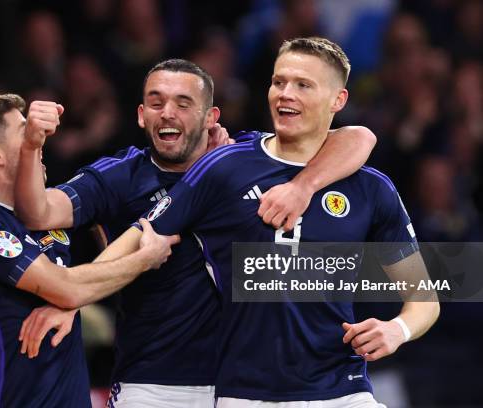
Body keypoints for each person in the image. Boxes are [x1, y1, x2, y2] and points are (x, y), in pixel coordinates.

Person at [92, 39, 440, 407]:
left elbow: (425, 300)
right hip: (247, 394)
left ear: (338, 100)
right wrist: (73, 296)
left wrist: (396, 329)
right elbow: (141, 232)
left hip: (344, 390)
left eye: (303, 85)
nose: (285, 94)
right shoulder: (226, 167)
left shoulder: (371, 188)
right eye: (279, 82)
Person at [15, 59, 378, 407]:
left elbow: (358, 137)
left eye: (183, 103)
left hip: (243, 383)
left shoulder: (249, 159)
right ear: (142, 115)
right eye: (156, 103)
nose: (168, 113)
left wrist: (303, 186)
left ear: (210, 117)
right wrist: (32, 146)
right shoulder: (119, 176)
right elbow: (37, 213)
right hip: (153, 380)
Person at [0, 94, 178, 407]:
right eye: (24, 133)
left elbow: (92, 273)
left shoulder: (47, 211)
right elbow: (67, 288)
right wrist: (146, 259)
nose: (38, 142)